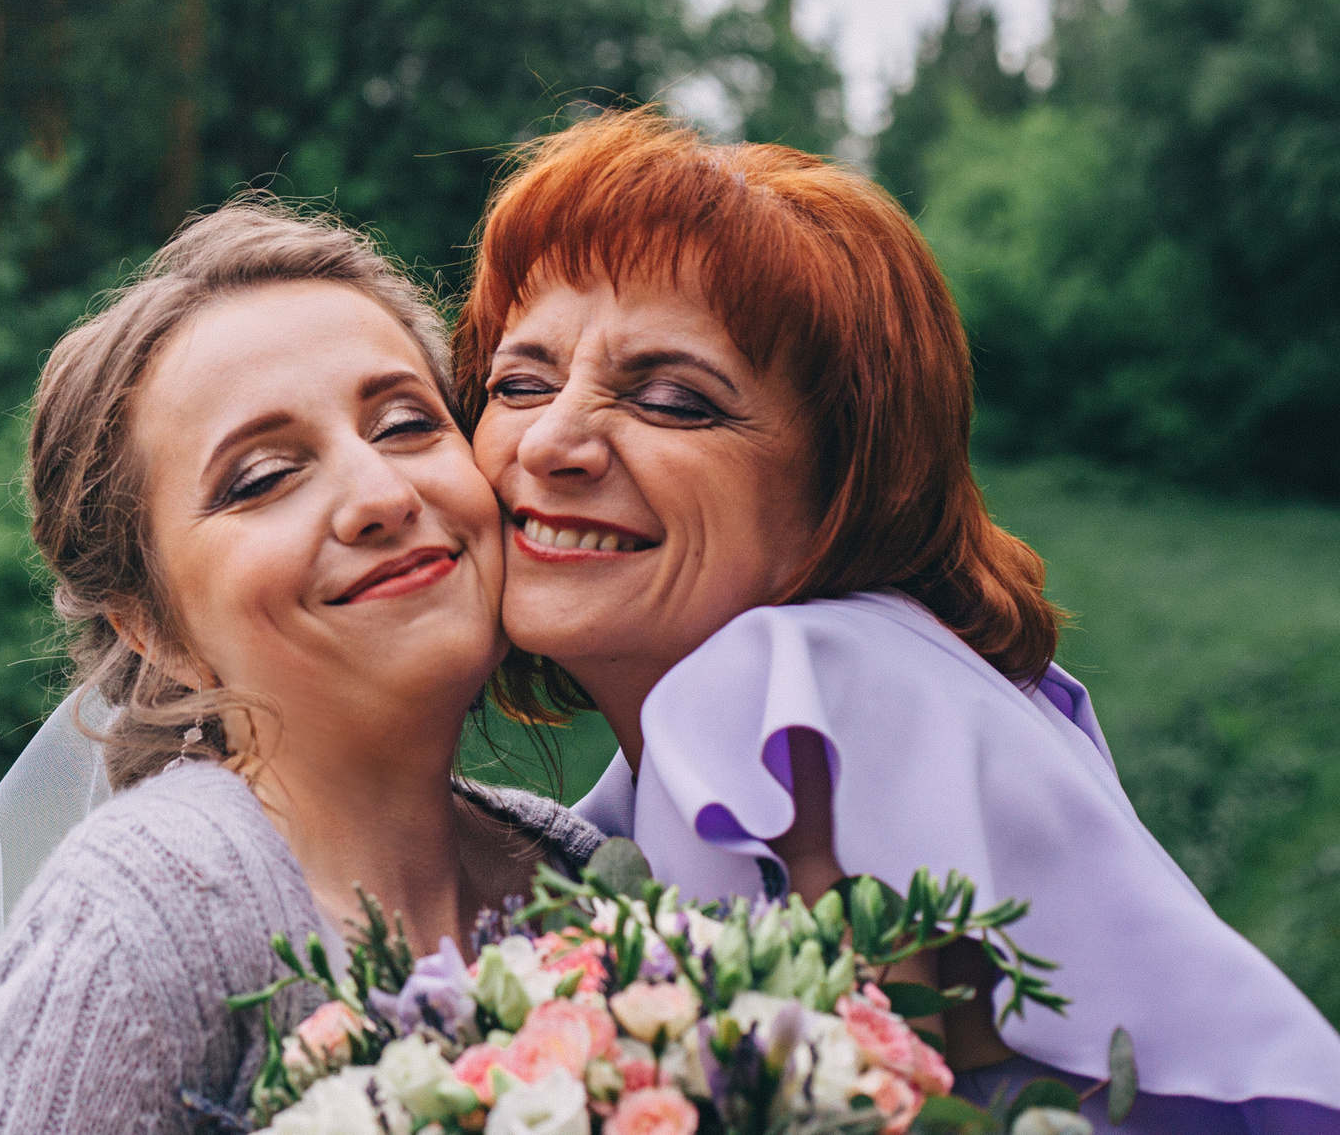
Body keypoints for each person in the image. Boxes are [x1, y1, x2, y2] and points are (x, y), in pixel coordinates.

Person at [458, 108, 1340, 1131]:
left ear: (845, 486)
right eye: (519, 383)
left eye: (672, 400)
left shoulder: (795, 696)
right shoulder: (716, 750)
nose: (551, 441)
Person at [0, 198, 603, 1133]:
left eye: (404, 423)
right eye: (264, 477)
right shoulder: (150, 917)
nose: (381, 494)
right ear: (152, 628)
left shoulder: (579, 874)